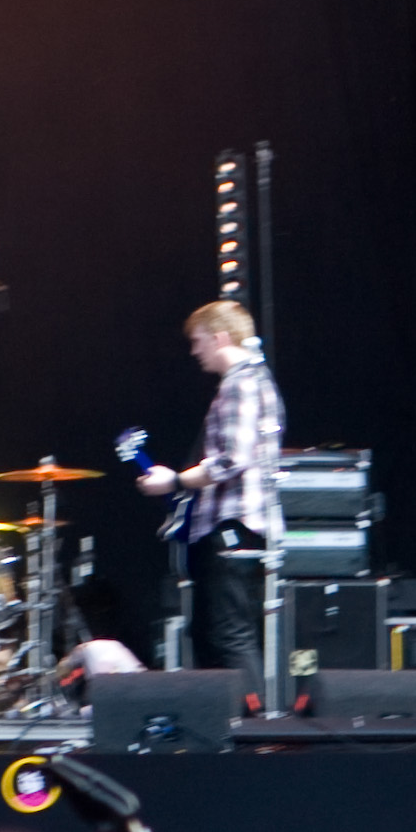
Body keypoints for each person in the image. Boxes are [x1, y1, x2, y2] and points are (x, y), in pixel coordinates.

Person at [136, 299, 284, 705]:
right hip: (231, 527)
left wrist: (175, 480)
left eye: (198, 340)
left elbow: (232, 459)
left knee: (230, 634)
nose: (194, 350)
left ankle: (253, 728)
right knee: (214, 633)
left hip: (233, 527)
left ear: (220, 338)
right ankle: (229, 721)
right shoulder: (250, 381)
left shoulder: (241, 384)